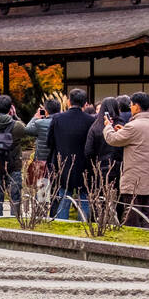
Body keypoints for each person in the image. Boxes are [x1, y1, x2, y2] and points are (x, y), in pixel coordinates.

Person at [102, 91, 149, 225]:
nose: (130, 107)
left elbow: (112, 139)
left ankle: (131, 244)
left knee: (132, 215)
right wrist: (123, 130)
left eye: (132, 105)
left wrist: (108, 127)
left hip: (134, 180)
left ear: (137, 106)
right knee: (146, 213)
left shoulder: (134, 126)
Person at [46, 88, 93, 220]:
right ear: (85, 104)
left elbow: (49, 142)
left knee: (64, 198)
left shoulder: (57, 118)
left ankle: (62, 225)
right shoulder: (90, 120)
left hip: (63, 163)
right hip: (84, 165)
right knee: (84, 197)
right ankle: (84, 224)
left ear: (68, 102)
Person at [0, 93, 26, 217]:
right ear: (10, 109)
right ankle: (16, 222)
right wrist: (15, 116)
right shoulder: (17, 126)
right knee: (15, 197)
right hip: (14, 165)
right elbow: (26, 130)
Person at [84, 96, 123, 188]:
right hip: (120, 168)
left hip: (99, 168)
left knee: (101, 198)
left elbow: (88, 151)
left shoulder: (95, 127)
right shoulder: (122, 125)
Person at [25, 97, 60, 171]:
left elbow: (27, 130)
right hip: (58, 160)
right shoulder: (63, 122)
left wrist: (36, 117)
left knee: (42, 181)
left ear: (46, 111)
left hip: (41, 161)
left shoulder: (39, 123)